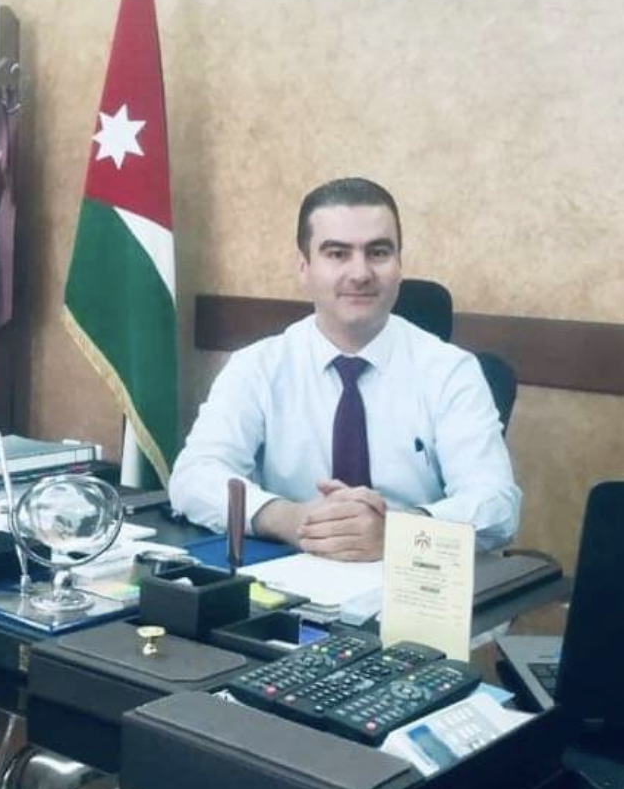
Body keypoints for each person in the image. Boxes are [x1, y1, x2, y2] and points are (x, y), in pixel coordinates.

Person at [168, 178, 520, 562]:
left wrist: (396, 531)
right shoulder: (257, 366)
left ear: (399, 265)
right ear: (304, 267)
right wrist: (288, 518)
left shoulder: (451, 371)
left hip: (413, 577)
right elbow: (194, 475)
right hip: (291, 576)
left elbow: (496, 504)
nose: (360, 273)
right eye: (337, 253)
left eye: (378, 252)